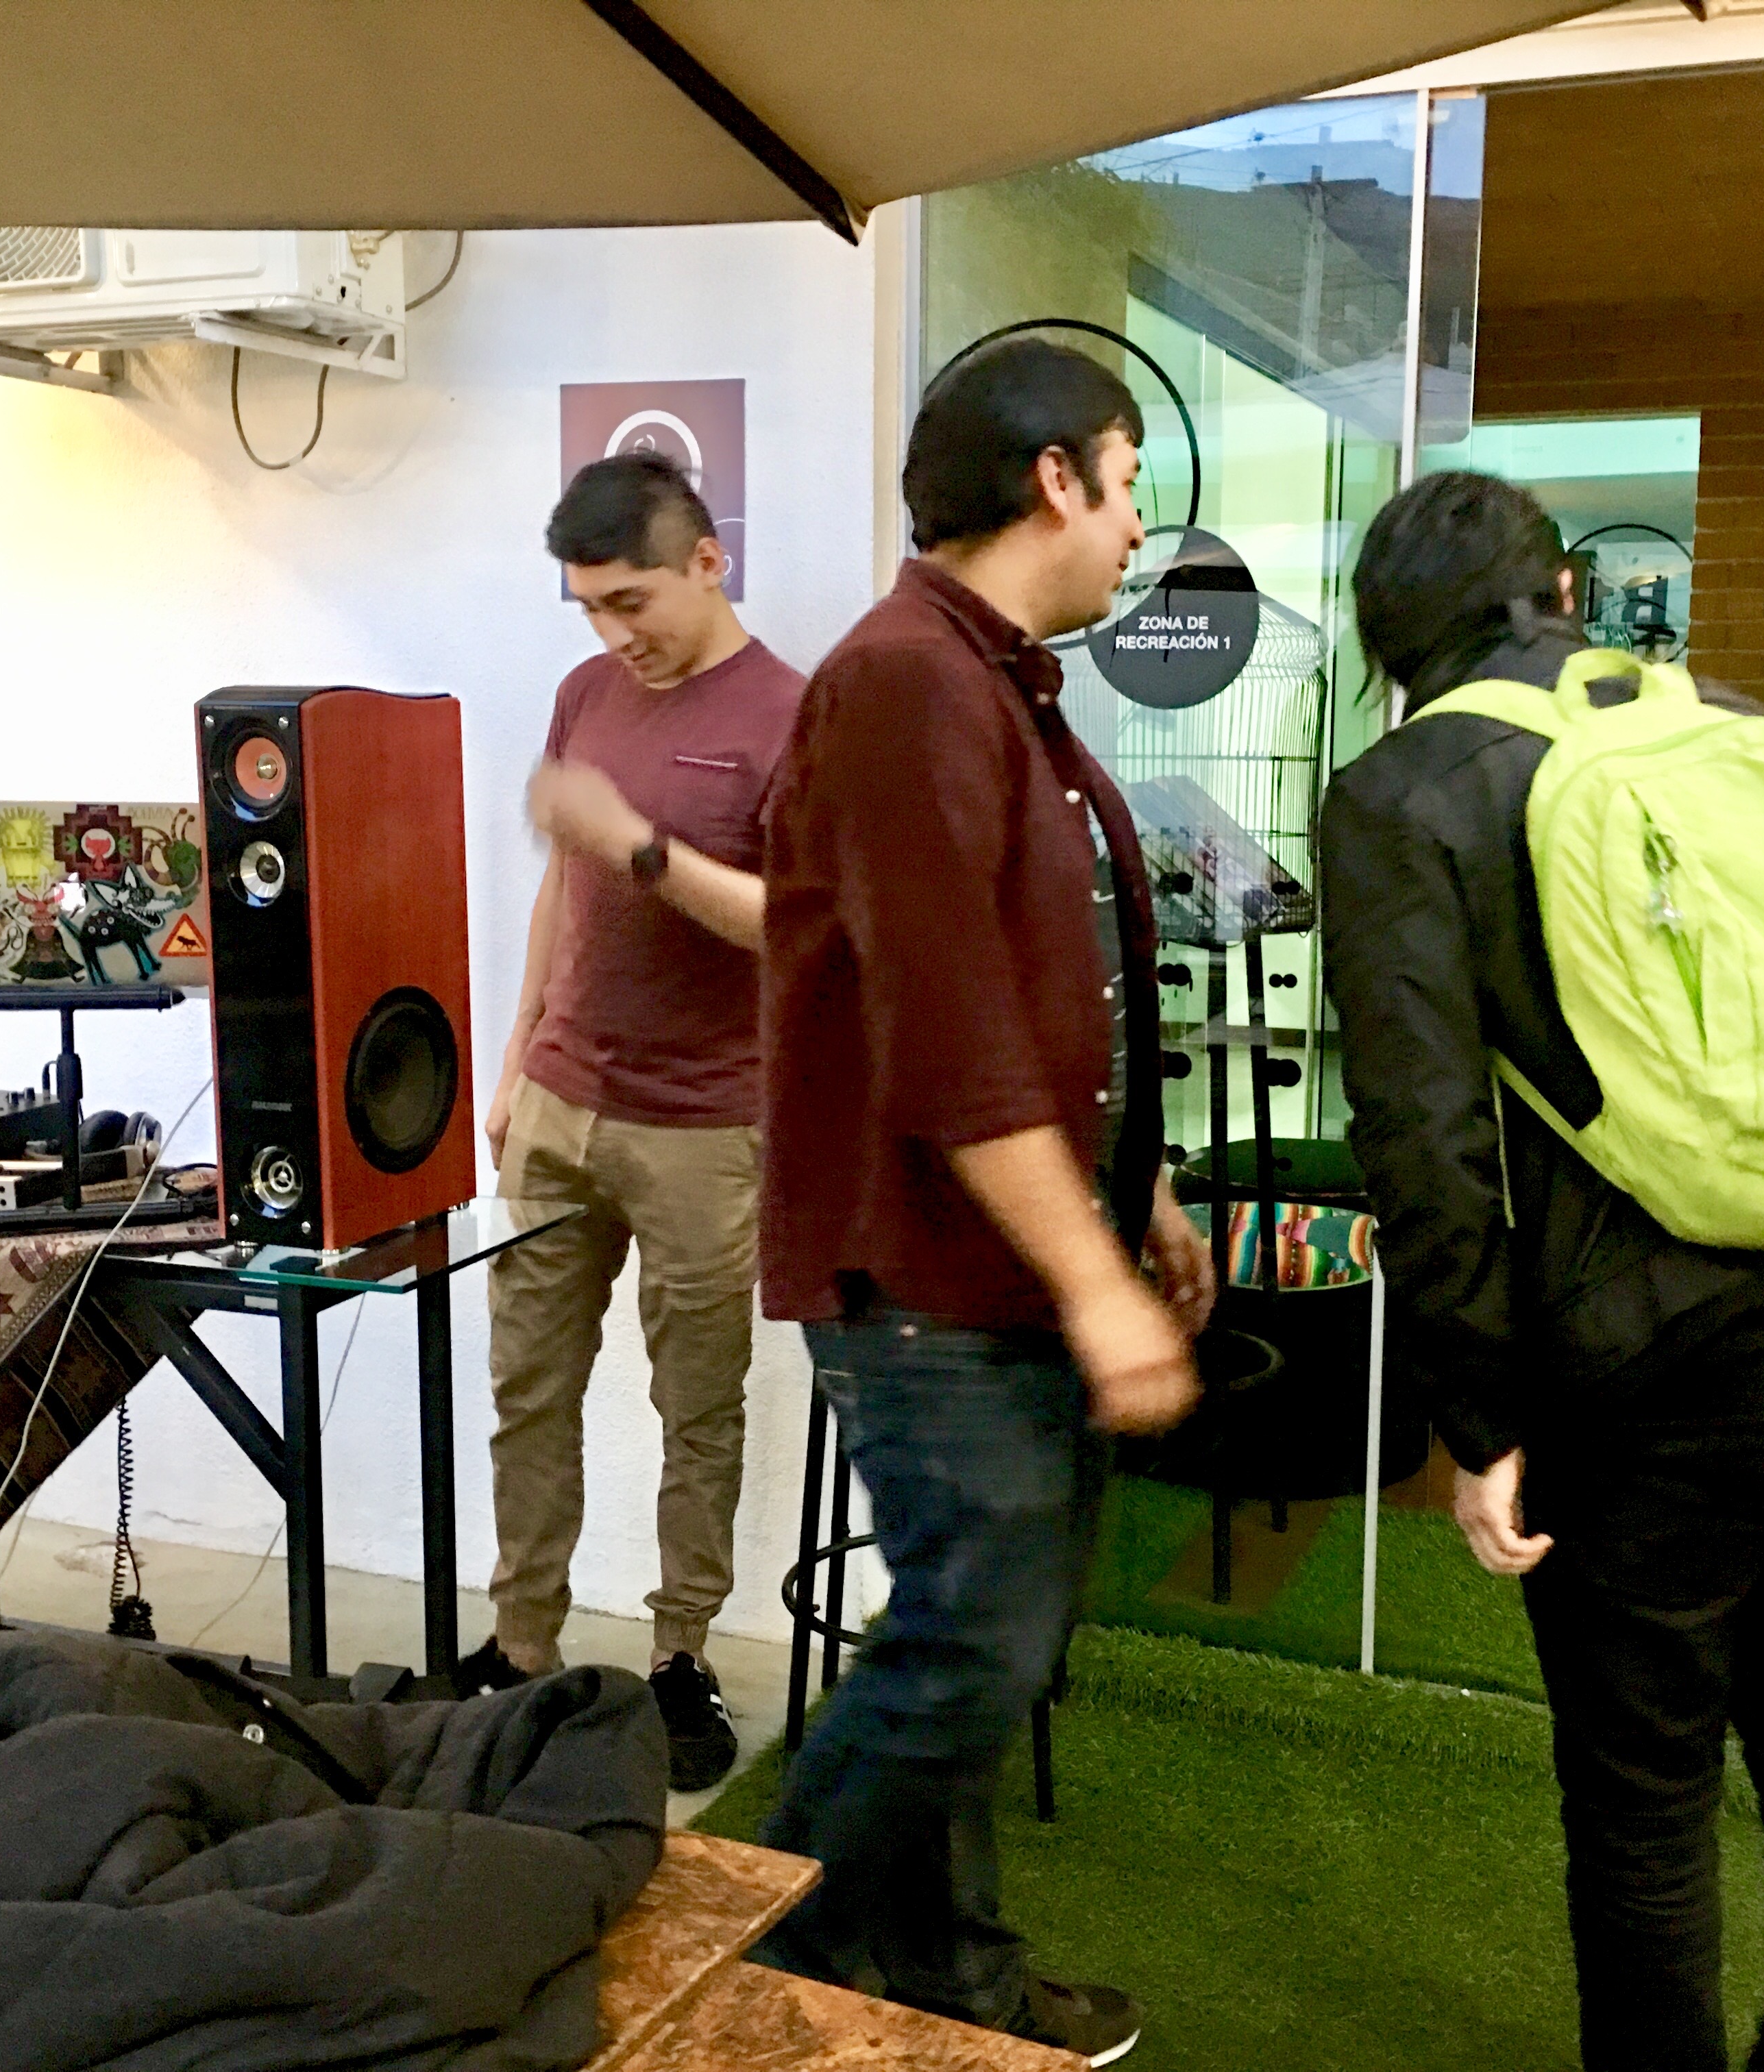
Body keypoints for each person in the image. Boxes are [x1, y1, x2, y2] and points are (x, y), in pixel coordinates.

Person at [1317, 471, 1764, 2072]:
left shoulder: (1405, 793)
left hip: (1659, 1359)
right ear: (1558, 591)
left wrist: (1479, 1421)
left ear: (1390, 648)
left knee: (1646, 1788)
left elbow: (1426, 1143)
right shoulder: (1738, 729)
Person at [749, 338, 1217, 2067]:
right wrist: (1093, 1282)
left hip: (998, 1256)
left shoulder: (993, 683)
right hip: (925, 1276)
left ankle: (952, 1985)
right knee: (971, 1648)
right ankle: (742, 1956)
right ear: (1053, 479)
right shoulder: (904, 684)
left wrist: (1135, 1195)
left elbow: (1043, 987)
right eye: (1129, 484)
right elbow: (948, 1034)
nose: (1137, 527)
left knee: (968, 1641)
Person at [467, 450, 804, 1793]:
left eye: (632, 602)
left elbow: (799, 929)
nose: (615, 634)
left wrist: (644, 849)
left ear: (708, 562)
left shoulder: (792, 717)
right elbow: (563, 885)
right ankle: (518, 1650)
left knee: (697, 1407)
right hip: (561, 1100)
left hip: (707, 1127)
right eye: (591, 609)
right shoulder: (585, 694)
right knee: (527, 1389)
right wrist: (514, 1060)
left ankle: (680, 1660)